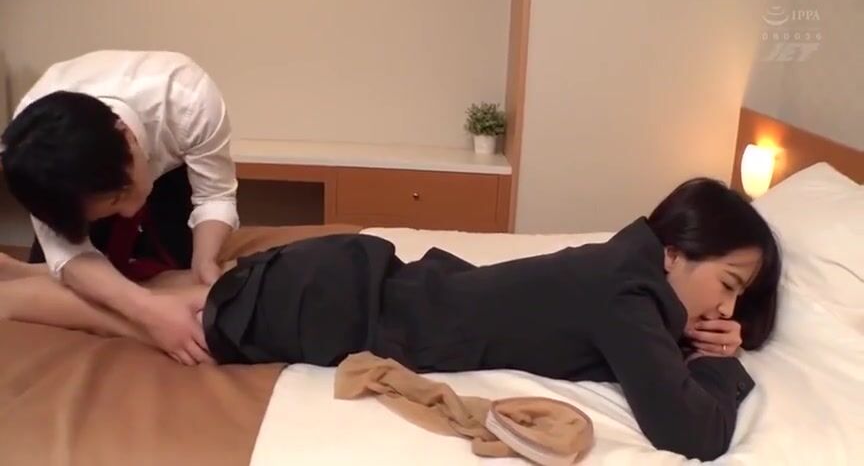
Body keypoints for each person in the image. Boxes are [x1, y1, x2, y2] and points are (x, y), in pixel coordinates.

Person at [0, 177, 780, 460]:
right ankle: (15, 293)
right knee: (155, 325)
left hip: (351, 281)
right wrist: (719, 363)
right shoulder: (628, 296)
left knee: (189, 301)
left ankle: (20, 273)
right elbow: (692, 434)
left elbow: (624, 345)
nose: (725, 308)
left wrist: (692, 339)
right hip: (339, 307)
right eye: (728, 284)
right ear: (677, 249)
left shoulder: (622, 264)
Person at [0, 50, 239, 366]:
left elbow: (215, 195)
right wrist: (149, 317)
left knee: (169, 271)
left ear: (127, 137)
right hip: (86, 179)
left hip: (169, 163)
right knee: (87, 281)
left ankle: (22, 274)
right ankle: (9, 297)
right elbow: (70, 257)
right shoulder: (34, 158)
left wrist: (204, 261)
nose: (128, 214)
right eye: (113, 204)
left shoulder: (187, 99)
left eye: (121, 197)